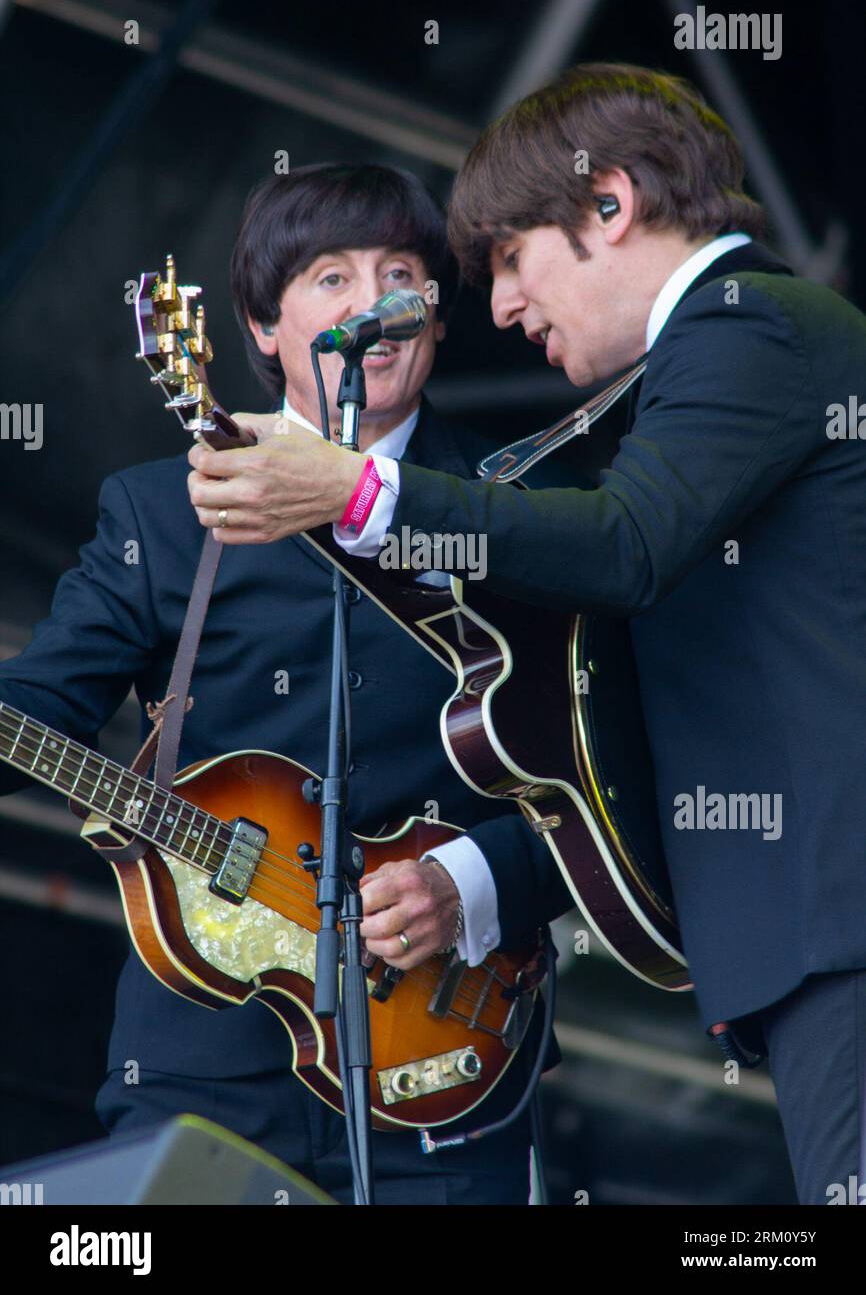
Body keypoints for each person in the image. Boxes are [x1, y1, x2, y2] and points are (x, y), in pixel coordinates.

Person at [196, 65, 866, 1206]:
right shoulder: (707, 365)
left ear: (608, 203)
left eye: (510, 257)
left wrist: (360, 494)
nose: (500, 307)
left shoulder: (750, 325)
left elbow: (620, 544)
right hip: (809, 937)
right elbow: (605, 685)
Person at [0, 162, 572, 1205]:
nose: (372, 305)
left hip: (449, 1054)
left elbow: (609, 775)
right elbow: (40, 706)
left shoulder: (520, 506)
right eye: (330, 279)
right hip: (203, 1065)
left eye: (399, 274)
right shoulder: (160, 515)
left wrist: (477, 879)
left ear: (436, 319)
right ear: (262, 330)